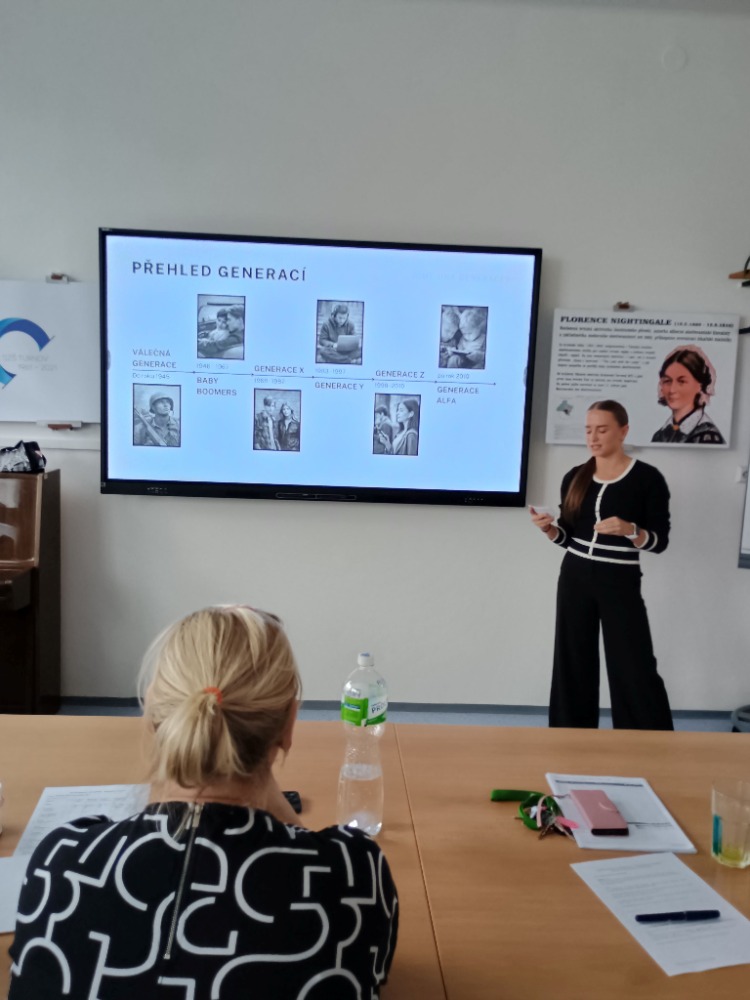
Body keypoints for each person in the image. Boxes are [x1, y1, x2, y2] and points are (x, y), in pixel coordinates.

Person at [8, 605, 399, 998]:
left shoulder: (59, 864)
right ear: (288, 725)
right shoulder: (354, 879)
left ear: (154, 716)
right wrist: (270, 793)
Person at [530, 400, 673, 730]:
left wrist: (631, 530)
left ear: (623, 431)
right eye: (588, 430)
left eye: (602, 429)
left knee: (633, 664)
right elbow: (569, 537)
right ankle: (571, 737)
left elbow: (659, 541)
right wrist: (549, 529)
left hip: (619, 579)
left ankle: (648, 741)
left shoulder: (647, 479)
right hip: (574, 576)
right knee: (572, 660)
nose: (593, 437)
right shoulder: (575, 477)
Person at [651, 346, 725, 444]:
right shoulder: (659, 436)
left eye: (681, 381)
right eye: (667, 381)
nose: (672, 390)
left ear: (700, 385)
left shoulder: (709, 436)